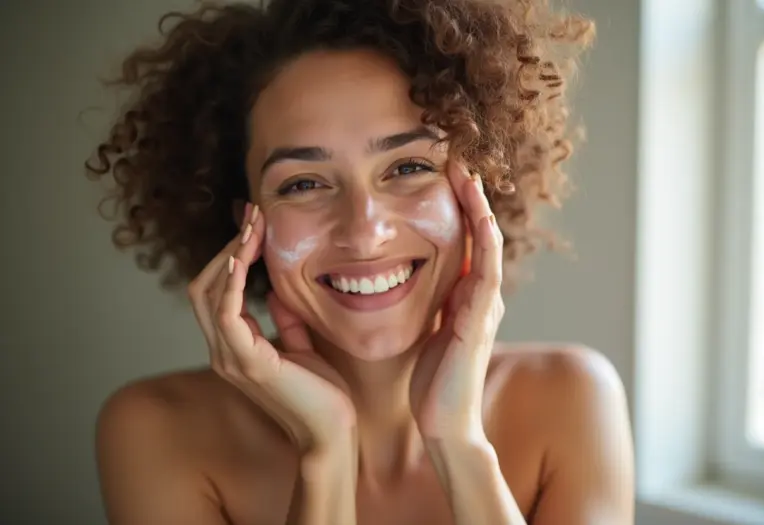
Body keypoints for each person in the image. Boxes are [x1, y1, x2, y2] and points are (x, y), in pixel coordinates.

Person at [87, 1, 635, 524]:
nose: (364, 231)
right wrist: (325, 453)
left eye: (408, 167)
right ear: (246, 222)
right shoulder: (156, 429)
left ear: (477, 191)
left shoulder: (574, 398)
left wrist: (458, 443)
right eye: (303, 183)